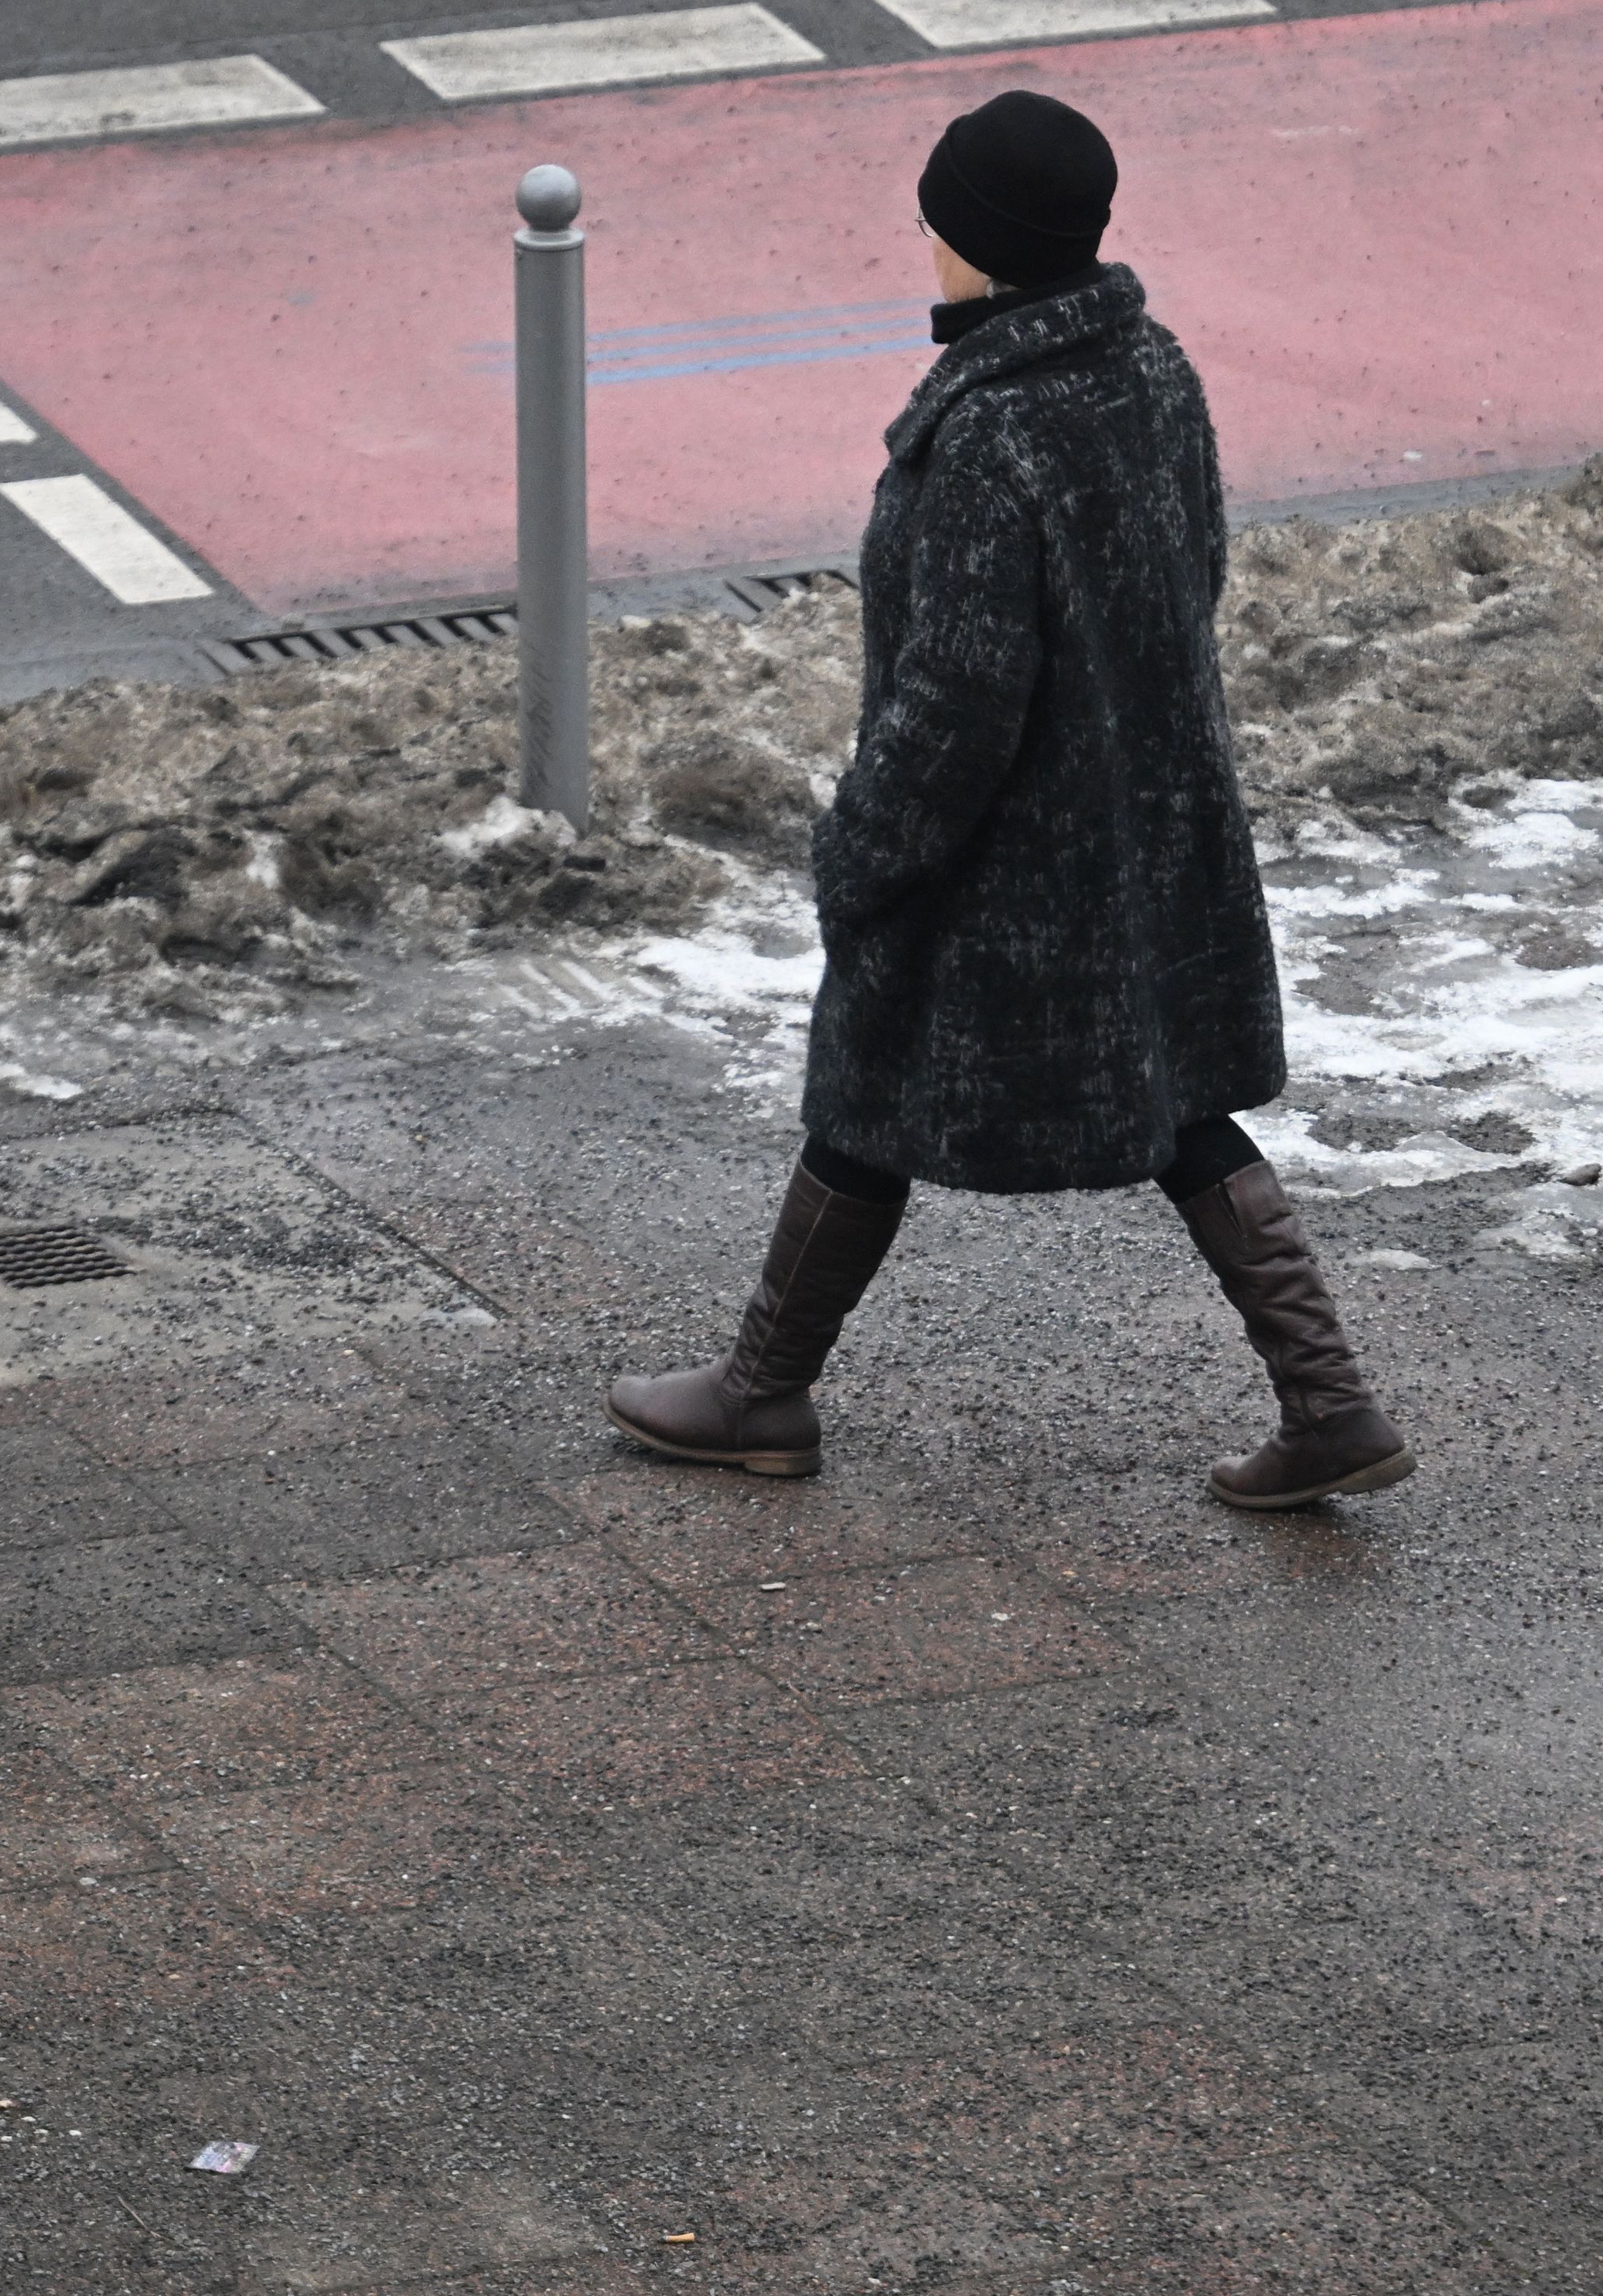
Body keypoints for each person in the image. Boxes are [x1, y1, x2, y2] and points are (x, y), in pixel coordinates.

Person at [605, 89, 1416, 1511]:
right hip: (1143, 820)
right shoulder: (1149, 369)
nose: (925, 241)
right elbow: (1195, 577)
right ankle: (1329, 1400)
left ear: (982, 245)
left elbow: (957, 700)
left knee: (871, 1084)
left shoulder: (990, 433)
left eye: (939, 220)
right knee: (1173, 1101)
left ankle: (761, 1391)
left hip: (1009, 856)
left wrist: (866, 852)